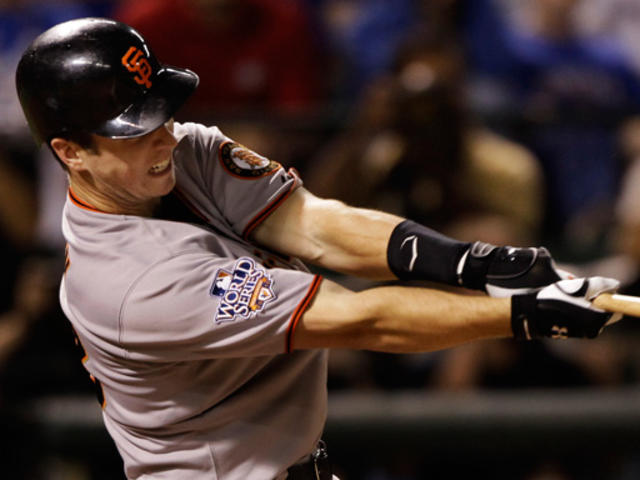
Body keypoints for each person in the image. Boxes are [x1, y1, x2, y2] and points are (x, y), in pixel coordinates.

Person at [14, 17, 624, 480]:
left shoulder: (179, 154)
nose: (163, 135)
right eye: (136, 128)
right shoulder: (131, 284)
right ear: (71, 152)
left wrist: (471, 261)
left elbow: (317, 226)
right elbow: (364, 318)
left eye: (161, 113)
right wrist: (522, 314)